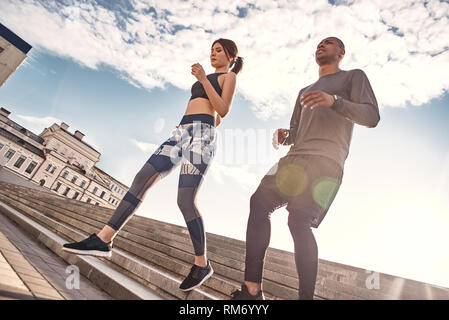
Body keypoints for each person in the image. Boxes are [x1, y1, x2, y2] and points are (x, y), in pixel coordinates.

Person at [63, 38, 243, 292]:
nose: (212, 54)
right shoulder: (205, 79)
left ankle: (201, 264)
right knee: (142, 178)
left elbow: (223, 109)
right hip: (181, 132)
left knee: (185, 199)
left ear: (230, 57)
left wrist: (203, 80)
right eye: (211, 50)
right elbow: (208, 109)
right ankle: (104, 239)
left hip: (202, 136)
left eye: (218, 51)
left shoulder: (229, 77)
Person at [231, 37, 380, 300]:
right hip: (294, 159)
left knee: (298, 221)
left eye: (330, 43)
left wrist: (334, 100)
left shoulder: (353, 77)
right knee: (258, 202)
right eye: (320, 43)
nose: (322, 45)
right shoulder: (304, 91)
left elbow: (371, 117)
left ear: (341, 52)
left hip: (326, 161)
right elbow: (297, 133)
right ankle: (252, 289)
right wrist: (285, 135)